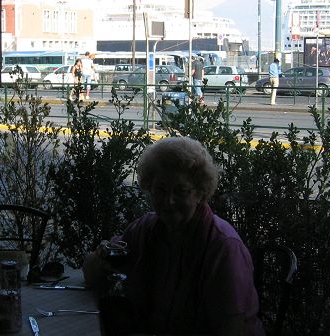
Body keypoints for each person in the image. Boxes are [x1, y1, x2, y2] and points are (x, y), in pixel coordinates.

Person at [83, 137, 263, 336]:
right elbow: (90, 274)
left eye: (181, 191)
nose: (169, 201)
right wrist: (102, 256)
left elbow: (231, 329)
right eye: (160, 190)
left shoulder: (223, 247)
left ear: (200, 193)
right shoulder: (145, 229)